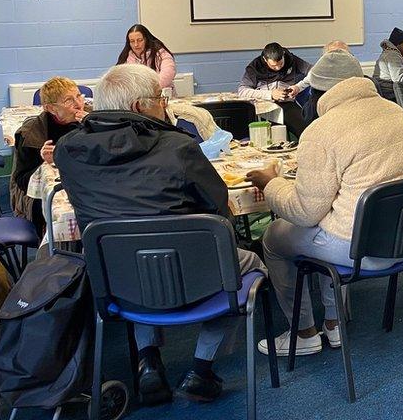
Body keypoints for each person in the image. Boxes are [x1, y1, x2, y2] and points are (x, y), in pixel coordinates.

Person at [54, 64, 266, 405]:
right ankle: (202, 368)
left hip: (114, 278)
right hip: (190, 273)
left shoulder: (67, 150)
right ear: (140, 106)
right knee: (251, 262)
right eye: (159, 97)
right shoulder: (177, 147)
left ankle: (148, 361)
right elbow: (217, 204)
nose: (165, 103)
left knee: (137, 256)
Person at [245, 54, 403, 357]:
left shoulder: (322, 131)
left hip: (361, 249)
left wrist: (271, 184)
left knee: (275, 238)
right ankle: (334, 323)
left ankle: (304, 333)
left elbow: (305, 212)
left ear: (318, 92)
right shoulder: (397, 112)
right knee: (332, 217)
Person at [9, 77, 87, 231]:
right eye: (68, 101)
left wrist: (92, 127)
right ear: (51, 108)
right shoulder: (32, 133)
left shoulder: (90, 120)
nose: (78, 104)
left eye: (79, 96)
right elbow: (22, 181)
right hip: (40, 195)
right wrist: (42, 162)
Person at [237, 42, 312, 138]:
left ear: (283, 56)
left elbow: (314, 73)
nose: (277, 68)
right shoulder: (255, 66)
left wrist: (298, 87)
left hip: (286, 103)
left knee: (307, 131)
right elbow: (242, 90)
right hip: (263, 106)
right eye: (273, 66)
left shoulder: (293, 60)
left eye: (280, 64)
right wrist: (270, 94)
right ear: (265, 59)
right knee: (275, 137)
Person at [117, 24, 176, 93]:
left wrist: (148, 90)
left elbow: (168, 74)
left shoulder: (161, 53)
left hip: (161, 95)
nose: (136, 44)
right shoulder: (125, 58)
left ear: (146, 40)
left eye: (140, 40)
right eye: (132, 41)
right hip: (137, 98)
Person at [373, 27, 403, 99]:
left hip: (383, 90)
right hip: (389, 92)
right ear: (397, 45)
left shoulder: (388, 52)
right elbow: (399, 79)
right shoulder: (393, 55)